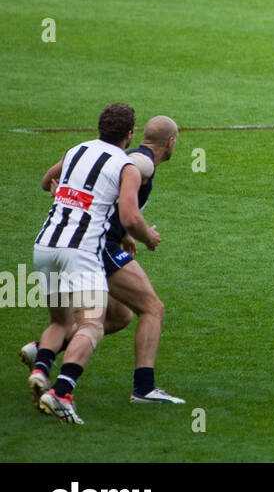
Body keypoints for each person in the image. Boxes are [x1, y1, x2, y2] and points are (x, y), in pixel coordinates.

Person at [22, 115, 184, 404]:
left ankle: (45, 351)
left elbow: (84, 191)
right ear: (171, 142)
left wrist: (124, 234)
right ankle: (142, 389)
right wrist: (146, 236)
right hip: (94, 244)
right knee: (151, 308)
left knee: (120, 316)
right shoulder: (137, 162)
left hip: (62, 243)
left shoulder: (84, 150)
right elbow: (129, 210)